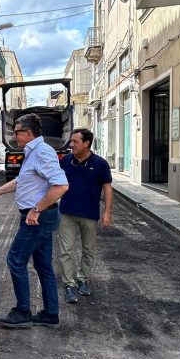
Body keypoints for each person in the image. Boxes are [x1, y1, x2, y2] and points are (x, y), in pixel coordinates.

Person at [0, 113, 68, 329]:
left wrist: (36, 210)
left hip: (38, 219)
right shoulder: (32, 152)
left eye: (17, 132)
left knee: (15, 259)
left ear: (29, 133)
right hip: (40, 217)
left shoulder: (41, 152)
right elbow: (21, 180)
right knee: (43, 265)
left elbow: (61, 185)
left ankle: (22, 312)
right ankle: (50, 314)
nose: (14, 136)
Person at [55, 128, 113, 302]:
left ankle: (83, 279)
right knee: (65, 251)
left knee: (88, 250)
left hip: (89, 214)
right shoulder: (65, 161)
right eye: (71, 141)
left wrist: (107, 212)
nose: (71, 145)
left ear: (86, 143)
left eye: (75, 141)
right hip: (66, 212)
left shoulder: (100, 164)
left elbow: (107, 188)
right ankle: (68, 284)